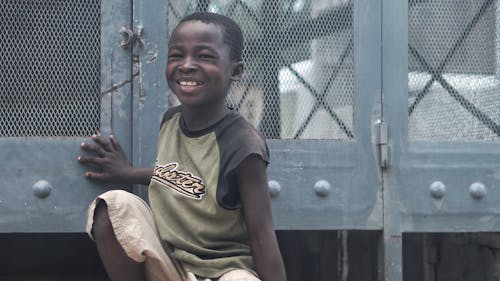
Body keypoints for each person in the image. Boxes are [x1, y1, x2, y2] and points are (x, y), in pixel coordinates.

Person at [78, 12, 287, 281]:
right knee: (113, 206)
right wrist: (127, 173)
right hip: (172, 262)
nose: (187, 65)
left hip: (221, 271)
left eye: (205, 56)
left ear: (235, 71)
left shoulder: (243, 145)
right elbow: (177, 176)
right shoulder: (171, 121)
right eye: (177, 55)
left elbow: (262, 236)